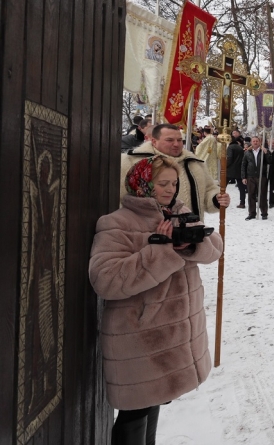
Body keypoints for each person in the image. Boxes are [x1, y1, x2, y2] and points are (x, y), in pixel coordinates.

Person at [89, 156, 222, 445]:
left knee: (153, 403)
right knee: (134, 414)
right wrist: (160, 251)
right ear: (142, 184)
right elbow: (107, 280)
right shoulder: (117, 223)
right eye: (162, 183)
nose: (170, 190)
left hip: (173, 335)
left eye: (174, 183)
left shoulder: (178, 212)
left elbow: (214, 250)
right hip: (141, 336)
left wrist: (190, 243)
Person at [121, 123, 230, 219]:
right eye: (169, 140)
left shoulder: (195, 163)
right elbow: (121, 200)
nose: (176, 144)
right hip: (147, 234)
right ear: (154, 141)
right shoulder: (131, 162)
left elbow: (209, 190)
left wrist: (216, 199)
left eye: (179, 140)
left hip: (191, 231)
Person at [241, 136, 270, 220]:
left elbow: (270, 161)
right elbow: (243, 165)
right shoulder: (247, 152)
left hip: (262, 176)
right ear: (251, 142)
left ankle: (264, 213)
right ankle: (252, 213)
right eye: (253, 141)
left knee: (262, 195)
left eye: (257, 141)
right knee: (251, 195)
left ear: (259, 142)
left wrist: (267, 153)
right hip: (251, 176)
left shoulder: (263, 151)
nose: (255, 142)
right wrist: (243, 177)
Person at [226, 132, 246, 208]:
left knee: (223, 186)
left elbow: (230, 158)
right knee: (241, 188)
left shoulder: (230, 147)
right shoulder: (240, 147)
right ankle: (242, 202)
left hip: (230, 169)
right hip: (239, 169)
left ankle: (221, 200)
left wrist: (225, 166)